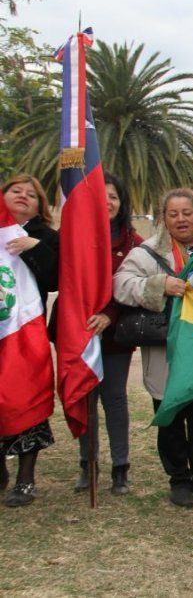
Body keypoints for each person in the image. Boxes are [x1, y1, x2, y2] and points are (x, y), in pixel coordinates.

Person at [114, 188, 193, 509]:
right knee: (171, 417)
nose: (180, 219)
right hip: (167, 351)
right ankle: (180, 481)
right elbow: (121, 283)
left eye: (186, 212)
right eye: (173, 214)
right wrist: (159, 285)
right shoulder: (147, 253)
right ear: (163, 218)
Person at [73, 174, 144, 496]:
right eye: (100, 196)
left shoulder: (134, 243)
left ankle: (120, 468)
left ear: (122, 201)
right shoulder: (76, 237)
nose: (107, 202)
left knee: (114, 399)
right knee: (85, 398)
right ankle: (88, 465)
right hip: (81, 333)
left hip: (116, 336)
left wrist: (109, 315)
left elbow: (133, 289)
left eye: (113, 196)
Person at [1, 174, 59, 507]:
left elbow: (54, 279)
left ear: (40, 206)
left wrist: (32, 249)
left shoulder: (45, 236)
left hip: (25, 333)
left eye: (31, 194)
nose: (23, 196)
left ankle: (25, 478)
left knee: (27, 400)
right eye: (15, 190)